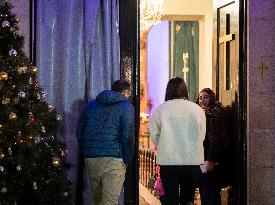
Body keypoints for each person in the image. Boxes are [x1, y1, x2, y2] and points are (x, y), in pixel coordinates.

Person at [76, 80, 135, 205]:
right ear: (125, 92)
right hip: (114, 159)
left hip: (91, 159)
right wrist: (128, 159)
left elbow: (79, 132)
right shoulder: (126, 107)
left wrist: (88, 151)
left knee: (98, 200)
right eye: (129, 93)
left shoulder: (90, 106)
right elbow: (127, 136)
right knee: (110, 201)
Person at [149, 77, 206, 205]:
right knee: (188, 199)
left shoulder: (160, 110)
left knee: (170, 199)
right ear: (185, 90)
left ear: (168, 91)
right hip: (191, 160)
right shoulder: (196, 109)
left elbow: (154, 135)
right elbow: (201, 135)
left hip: (168, 161)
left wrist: (165, 144)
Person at [196, 88, 230, 205]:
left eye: (205, 97)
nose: (202, 100)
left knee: (210, 192)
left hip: (212, 159)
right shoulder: (203, 114)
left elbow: (217, 139)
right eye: (200, 97)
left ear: (212, 98)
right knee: (205, 191)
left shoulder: (215, 114)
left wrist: (212, 160)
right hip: (204, 157)